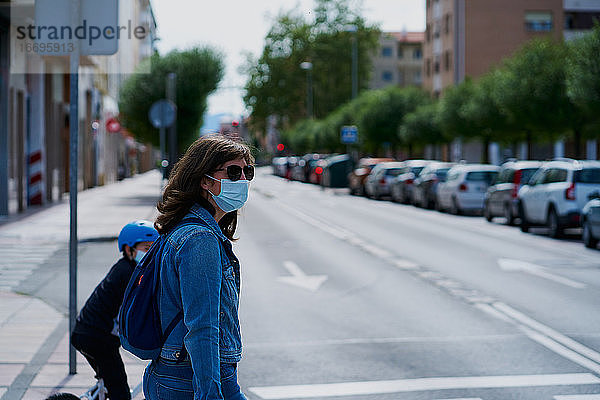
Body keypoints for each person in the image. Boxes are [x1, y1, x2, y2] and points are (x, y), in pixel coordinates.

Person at [143, 135, 254, 400]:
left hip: (178, 373)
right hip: (190, 379)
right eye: (233, 172)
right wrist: (208, 393)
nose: (242, 180)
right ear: (205, 180)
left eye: (247, 171)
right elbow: (202, 327)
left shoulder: (188, 229)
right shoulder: (199, 239)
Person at [71, 220, 159, 400]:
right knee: (119, 388)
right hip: (96, 338)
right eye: (146, 248)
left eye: (154, 248)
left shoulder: (127, 268)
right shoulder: (129, 273)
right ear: (129, 250)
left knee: (109, 381)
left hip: (88, 334)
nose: (151, 253)